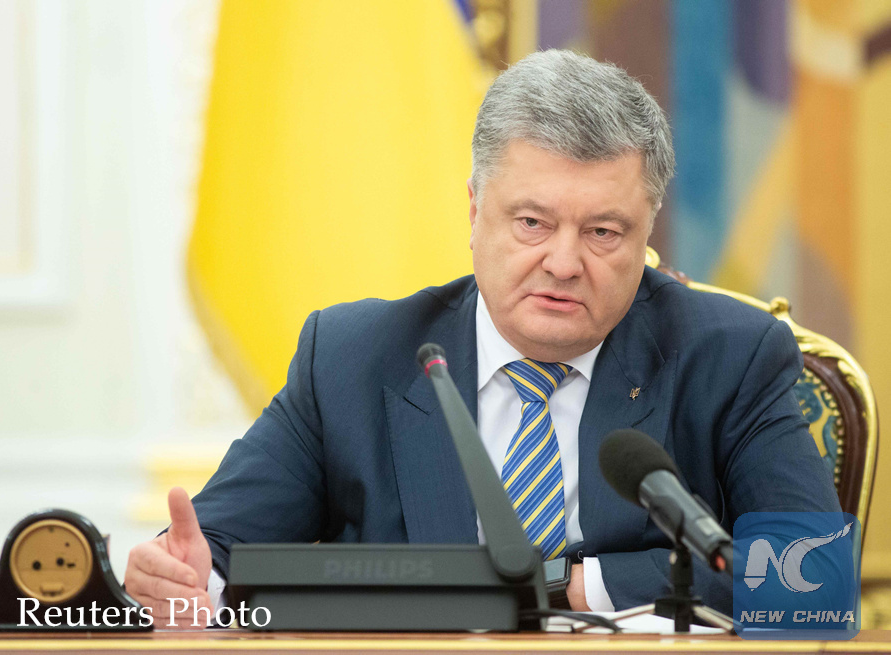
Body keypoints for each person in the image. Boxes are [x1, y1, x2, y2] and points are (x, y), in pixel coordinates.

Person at [124, 50, 840, 629]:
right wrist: (181, 583)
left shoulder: (731, 357)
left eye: (602, 232)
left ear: (646, 231)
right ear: (474, 212)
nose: (563, 262)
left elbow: (814, 579)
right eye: (531, 223)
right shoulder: (350, 357)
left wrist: (570, 586)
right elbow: (213, 551)